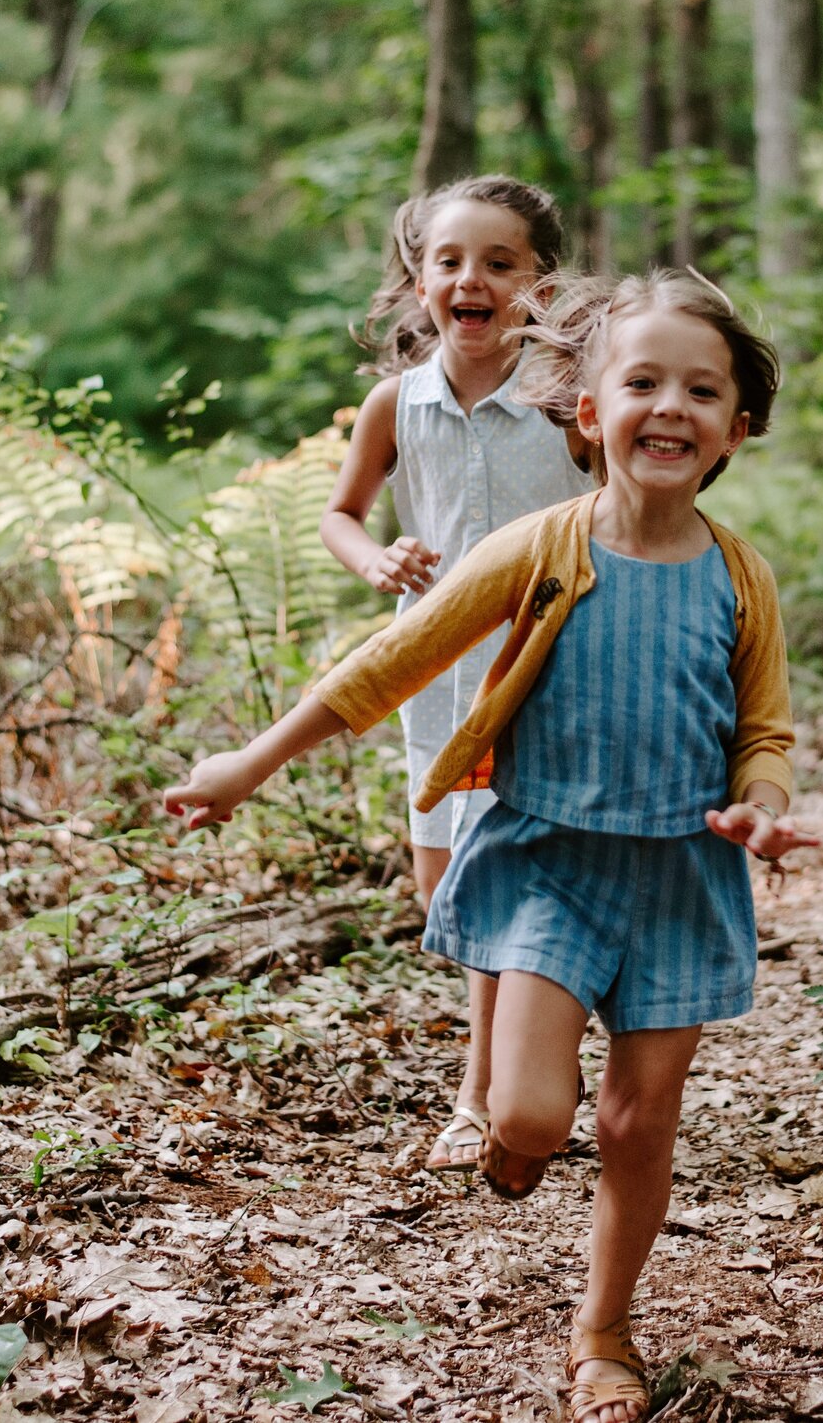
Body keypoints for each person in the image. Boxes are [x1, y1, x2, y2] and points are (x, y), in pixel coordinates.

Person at [169, 269, 822, 1423]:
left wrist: (759, 804)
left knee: (636, 1123)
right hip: (550, 867)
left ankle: (604, 1334)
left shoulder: (739, 575)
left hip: (681, 876)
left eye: (701, 390)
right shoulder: (540, 547)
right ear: (587, 411)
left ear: (737, 424)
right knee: (527, 1115)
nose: (669, 407)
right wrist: (249, 764)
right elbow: (396, 658)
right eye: (642, 382)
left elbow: (761, 729)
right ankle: (519, 1140)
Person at [318, 175, 594, 1174]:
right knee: (444, 886)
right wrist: (374, 558)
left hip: (540, 680)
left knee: (496, 882)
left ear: (537, 283)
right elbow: (342, 514)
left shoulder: (567, 404)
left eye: (498, 262)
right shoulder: (397, 404)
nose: (470, 278)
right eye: (449, 261)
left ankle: (481, 1098)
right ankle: (527, 1057)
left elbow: (623, 509)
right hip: (431, 681)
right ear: (419, 280)